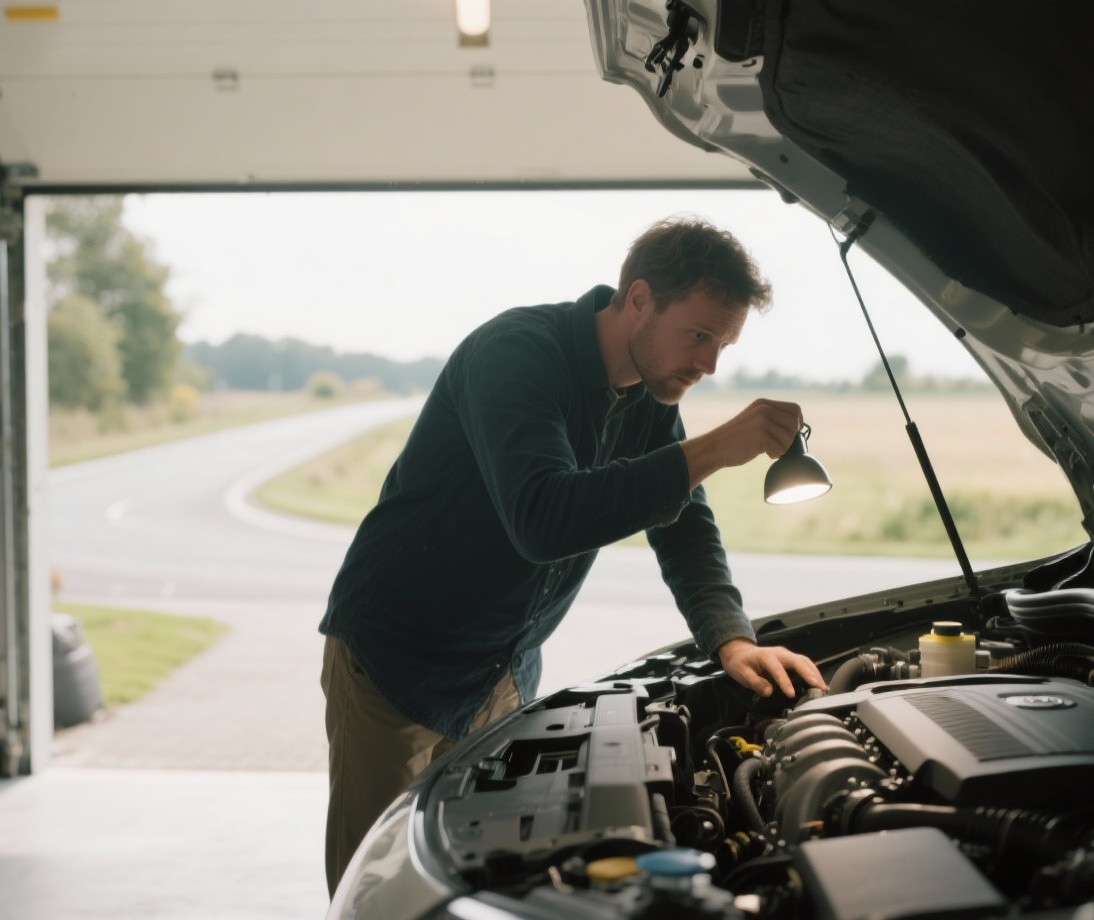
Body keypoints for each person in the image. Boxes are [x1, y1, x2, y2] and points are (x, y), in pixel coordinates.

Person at [318, 217, 825, 893]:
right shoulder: (518, 354)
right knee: (381, 890)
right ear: (639, 299)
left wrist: (732, 641)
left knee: (489, 884)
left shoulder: (649, 398)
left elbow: (685, 526)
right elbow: (544, 518)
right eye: (699, 335)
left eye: (722, 345)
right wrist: (711, 449)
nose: (708, 366)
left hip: (500, 672)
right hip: (396, 659)